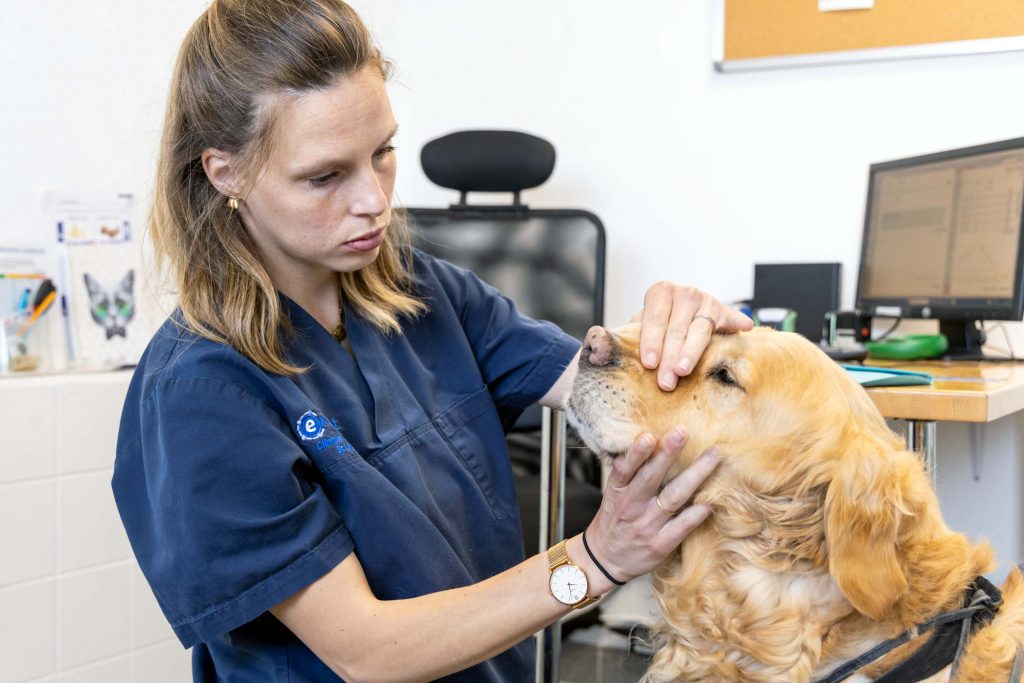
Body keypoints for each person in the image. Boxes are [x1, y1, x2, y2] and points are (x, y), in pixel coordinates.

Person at [111, 1, 754, 681]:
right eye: (326, 176)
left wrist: (686, 345)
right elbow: (365, 652)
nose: (375, 201)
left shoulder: (421, 292)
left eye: (383, 152)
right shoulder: (201, 392)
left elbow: (600, 386)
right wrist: (596, 560)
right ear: (226, 173)